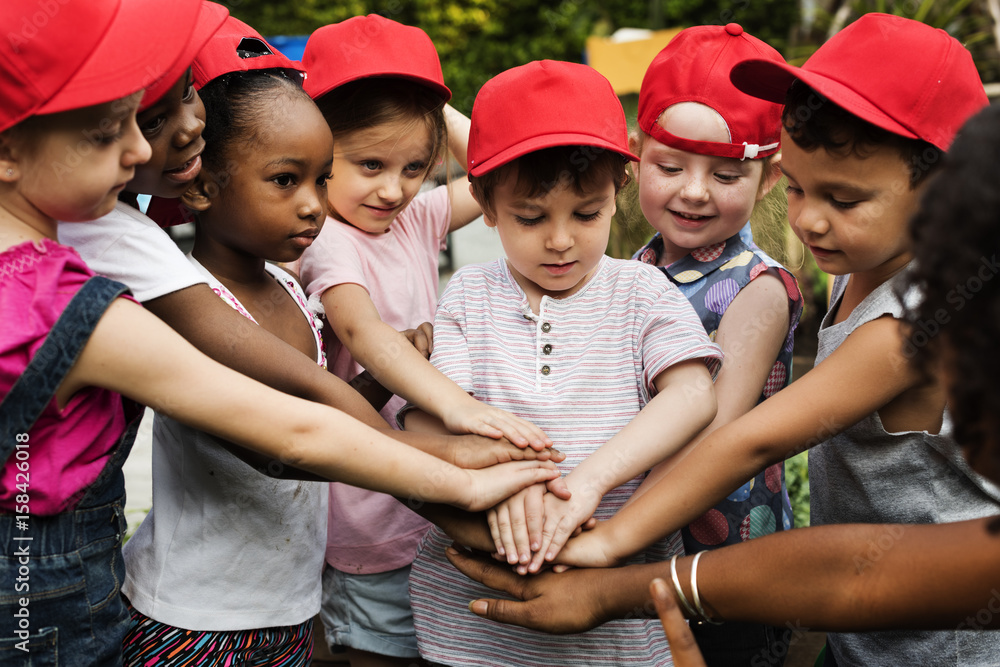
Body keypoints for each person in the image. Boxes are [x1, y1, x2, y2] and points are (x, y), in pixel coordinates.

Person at [0, 2, 563, 662]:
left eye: (153, 112)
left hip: (237, 598)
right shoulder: (79, 291)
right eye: (114, 129)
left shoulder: (242, 267)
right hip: (118, 601)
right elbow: (288, 430)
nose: (144, 146)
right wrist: (454, 477)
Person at [443, 14, 1000, 667]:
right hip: (857, 628)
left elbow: (750, 437)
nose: (808, 217)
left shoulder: (914, 317)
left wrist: (607, 541)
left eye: (844, 200)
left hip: (936, 645)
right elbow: (514, 166)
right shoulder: (863, 264)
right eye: (796, 187)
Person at [405, 59, 724, 667]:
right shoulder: (469, 295)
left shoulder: (642, 292)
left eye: (586, 213)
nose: (560, 240)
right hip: (476, 623)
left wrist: (586, 485)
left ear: (618, 191)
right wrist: (503, 489)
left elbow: (691, 396)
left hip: (617, 619)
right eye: (530, 217)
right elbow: (432, 419)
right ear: (485, 202)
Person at [294, 17, 547, 665]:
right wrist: (458, 404)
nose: (392, 188)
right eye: (369, 164)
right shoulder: (327, 236)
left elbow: (507, 167)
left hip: (431, 505)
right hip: (367, 513)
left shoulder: (414, 217)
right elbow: (361, 329)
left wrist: (431, 103)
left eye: (414, 166)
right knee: (379, 650)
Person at [118, 22, 328, 665]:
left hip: (287, 606)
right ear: (203, 188)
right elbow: (277, 449)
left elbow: (315, 417)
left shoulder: (292, 291)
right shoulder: (192, 304)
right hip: (195, 620)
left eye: (322, 179)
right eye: (286, 180)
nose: (315, 206)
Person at [621, 25, 805, 664]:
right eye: (669, 167)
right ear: (635, 154)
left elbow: (714, 430)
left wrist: (611, 531)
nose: (694, 190)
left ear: (769, 176)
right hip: (640, 552)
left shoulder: (758, 287)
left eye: (726, 174)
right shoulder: (632, 269)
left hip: (726, 570)